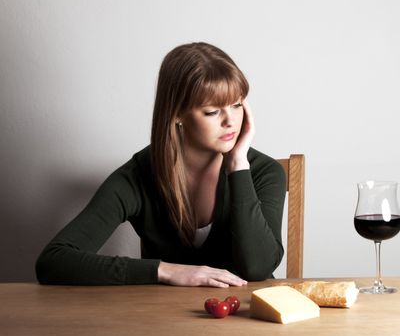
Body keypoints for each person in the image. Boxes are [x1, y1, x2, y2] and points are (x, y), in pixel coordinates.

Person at [35, 42, 286, 287]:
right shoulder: (138, 176)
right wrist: (164, 270)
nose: (230, 121)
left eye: (237, 104)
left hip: (245, 320)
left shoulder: (263, 172)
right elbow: (54, 261)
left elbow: (257, 268)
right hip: (162, 322)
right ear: (177, 114)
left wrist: (238, 165)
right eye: (212, 112)